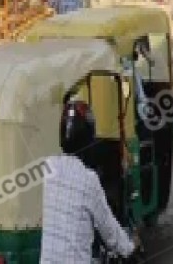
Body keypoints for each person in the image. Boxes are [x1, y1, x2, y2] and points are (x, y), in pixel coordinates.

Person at [40, 99, 139, 264]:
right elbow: (110, 232)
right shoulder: (88, 180)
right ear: (88, 138)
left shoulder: (49, 168)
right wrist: (130, 250)